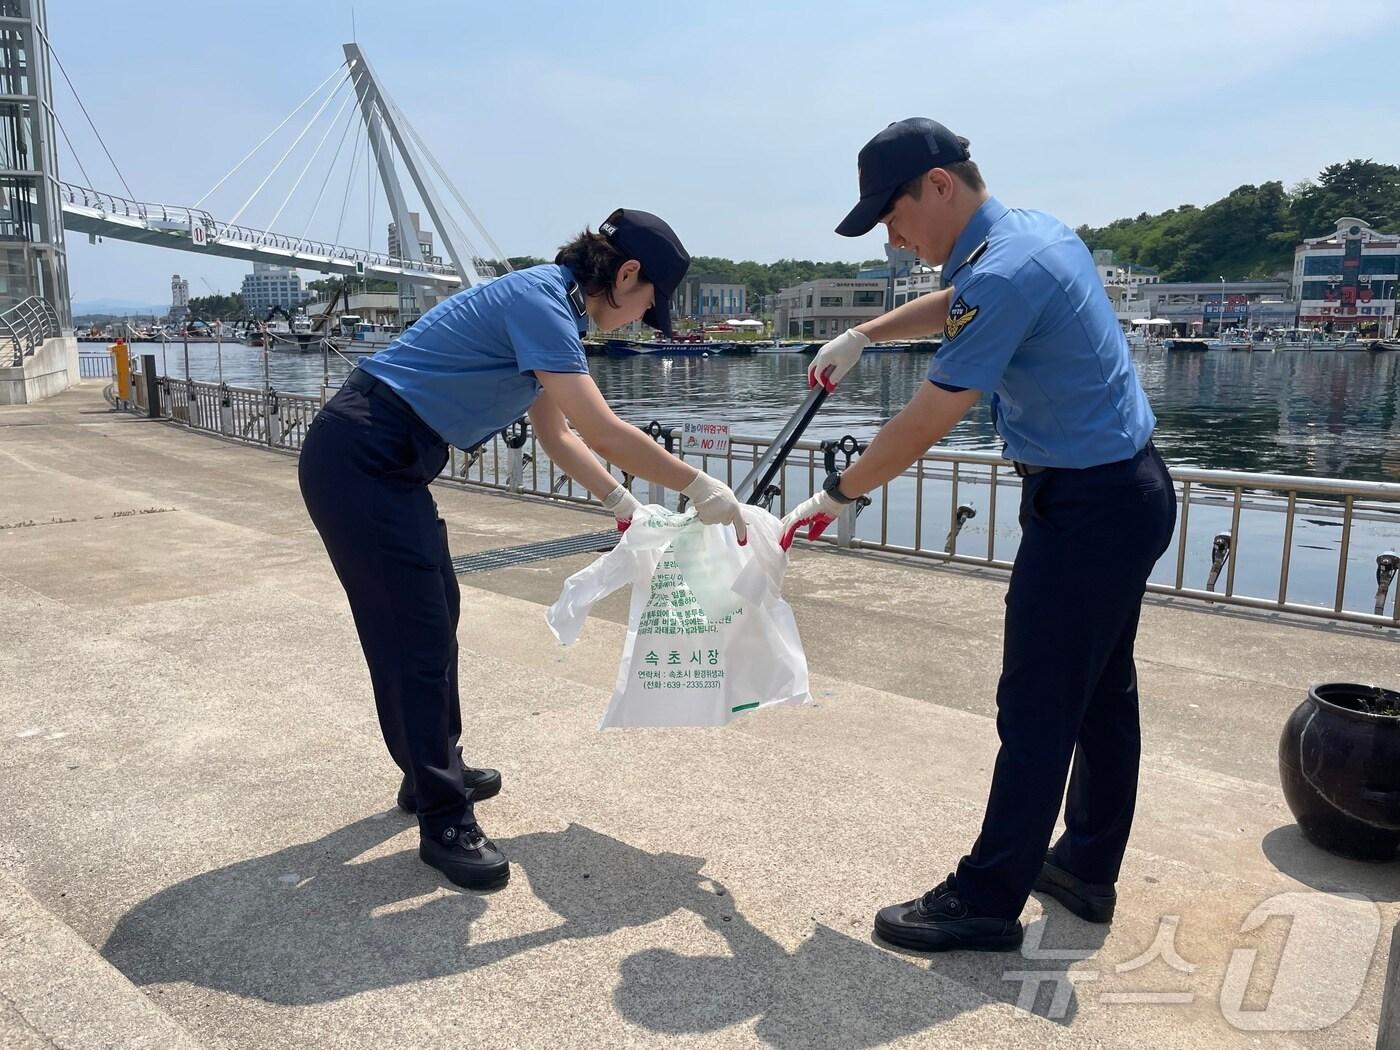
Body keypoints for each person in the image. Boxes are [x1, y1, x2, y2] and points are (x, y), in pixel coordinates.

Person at [782, 119, 1177, 951]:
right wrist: (865, 333)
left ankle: (988, 896)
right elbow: (962, 303)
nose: (892, 237)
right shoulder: (1030, 236)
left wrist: (836, 493)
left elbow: (927, 419)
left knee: (1037, 704)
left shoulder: (1002, 272)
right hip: (1122, 492)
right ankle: (1085, 867)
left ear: (938, 186)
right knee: (1100, 693)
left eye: (890, 217)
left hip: (1088, 507)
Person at [299, 209, 748, 890]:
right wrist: (696, 484)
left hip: (380, 461)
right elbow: (601, 427)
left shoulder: (549, 308)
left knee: (431, 615)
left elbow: (559, 435)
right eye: (648, 306)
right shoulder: (542, 303)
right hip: (362, 456)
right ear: (627, 276)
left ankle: (430, 772)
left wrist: (622, 506)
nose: (639, 320)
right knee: (414, 633)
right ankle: (444, 817)